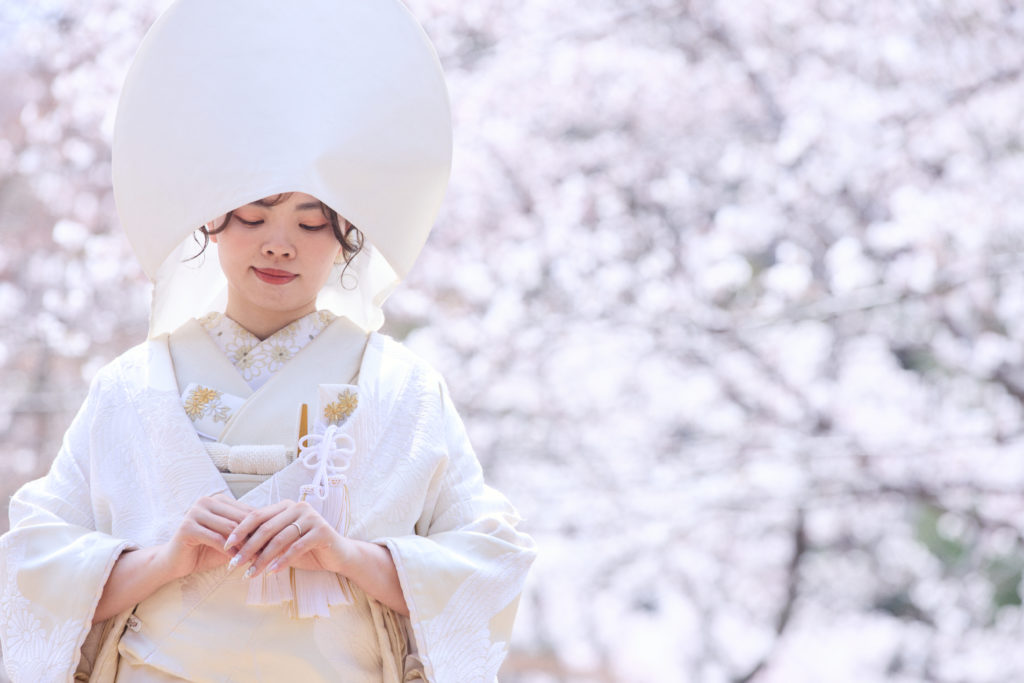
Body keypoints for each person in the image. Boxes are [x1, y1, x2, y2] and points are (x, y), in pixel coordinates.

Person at [0, 1, 535, 681]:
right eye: (253, 216)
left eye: (311, 224)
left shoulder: (403, 389)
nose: (280, 244)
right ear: (212, 223)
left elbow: (490, 562)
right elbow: (33, 568)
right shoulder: (132, 387)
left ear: (346, 239)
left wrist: (345, 555)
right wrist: (167, 558)